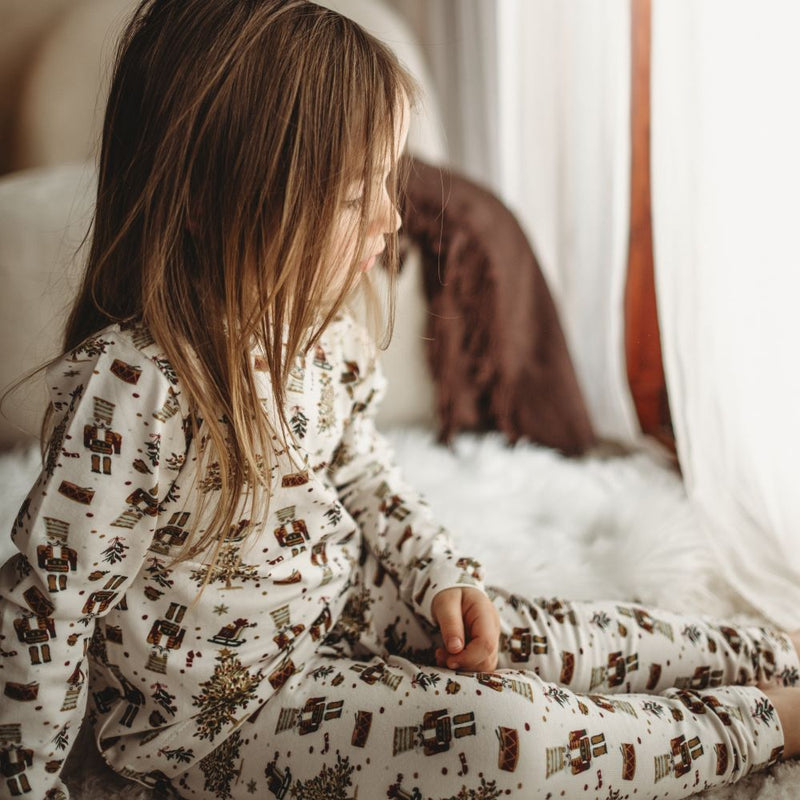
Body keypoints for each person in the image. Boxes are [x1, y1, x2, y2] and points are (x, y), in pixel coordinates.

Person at [1, 1, 799, 798]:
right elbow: (47, 614)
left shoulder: (314, 330)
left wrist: (442, 576)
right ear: (218, 202)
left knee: (546, 633)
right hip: (230, 719)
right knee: (511, 742)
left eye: (387, 182)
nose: (392, 217)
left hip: (345, 606)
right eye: (356, 196)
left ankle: (771, 653)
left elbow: (364, 475)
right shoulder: (133, 388)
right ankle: (761, 721)